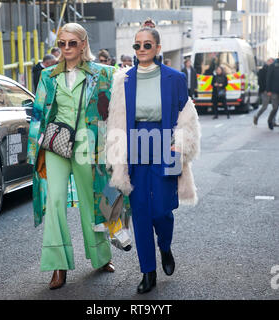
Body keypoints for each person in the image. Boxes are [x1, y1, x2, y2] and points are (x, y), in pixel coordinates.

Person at [106, 26, 201, 294]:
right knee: (141, 212)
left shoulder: (175, 78)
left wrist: (179, 145)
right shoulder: (123, 79)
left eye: (147, 45)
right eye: (137, 45)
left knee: (162, 208)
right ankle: (148, 271)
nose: (141, 50)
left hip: (167, 144)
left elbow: (187, 117)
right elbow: (116, 120)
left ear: (158, 48)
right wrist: (116, 158)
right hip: (135, 145)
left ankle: (165, 246)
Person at [27, 22, 116, 290]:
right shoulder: (48, 75)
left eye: (71, 43)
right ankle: (58, 265)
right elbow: (40, 113)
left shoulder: (101, 74)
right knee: (54, 200)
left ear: (83, 44)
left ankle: (101, 256)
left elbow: (113, 109)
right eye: (62, 43)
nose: (66, 48)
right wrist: (35, 150)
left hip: (87, 145)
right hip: (56, 144)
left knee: (91, 201)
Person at [253, 58, 274, 126]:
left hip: (273, 91)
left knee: (275, 107)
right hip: (265, 91)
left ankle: (273, 121)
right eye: (270, 62)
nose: (271, 63)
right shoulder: (262, 70)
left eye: (272, 62)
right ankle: (256, 116)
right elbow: (260, 82)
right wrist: (265, 89)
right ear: (267, 62)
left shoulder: (273, 70)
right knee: (264, 106)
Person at [266, 53, 279, 130]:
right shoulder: (273, 66)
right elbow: (268, 78)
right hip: (274, 90)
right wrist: (268, 90)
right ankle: (270, 120)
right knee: (275, 108)